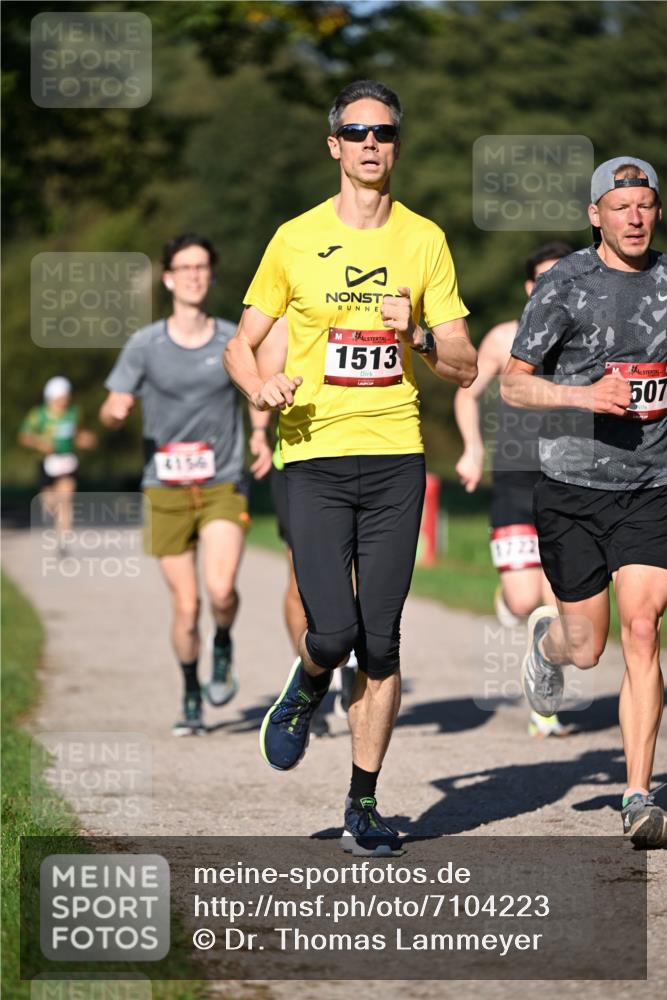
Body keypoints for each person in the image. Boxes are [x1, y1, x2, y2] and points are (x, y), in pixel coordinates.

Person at [225, 80, 477, 855]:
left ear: (396, 145)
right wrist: (258, 384)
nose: (372, 143)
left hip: (395, 453)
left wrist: (423, 338)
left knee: (384, 639)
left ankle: (362, 803)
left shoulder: (424, 240)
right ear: (334, 144)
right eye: (357, 131)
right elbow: (240, 342)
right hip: (312, 455)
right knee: (331, 630)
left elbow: (465, 367)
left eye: (385, 132)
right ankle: (304, 685)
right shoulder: (293, 238)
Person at [502, 157, 667, 847]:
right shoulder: (565, 283)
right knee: (587, 645)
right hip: (572, 487)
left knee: (641, 629)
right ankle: (546, 646)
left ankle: (637, 795)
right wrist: (581, 396)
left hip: (652, 487)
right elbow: (513, 385)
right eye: (619, 206)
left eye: (645, 205)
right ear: (595, 214)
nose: (633, 217)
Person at [100, 233, 272, 736]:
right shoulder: (145, 344)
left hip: (222, 481)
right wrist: (115, 411)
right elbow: (112, 404)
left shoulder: (231, 339)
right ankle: (190, 693)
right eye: (185, 267)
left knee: (219, 592)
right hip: (165, 489)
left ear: (211, 276)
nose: (195, 275)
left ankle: (223, 641)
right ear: (168, 277)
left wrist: (260, 435)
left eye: (203, 267)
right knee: (186, 604)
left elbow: (255, 391)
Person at [454, 242, 573, 738]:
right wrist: (472, 449)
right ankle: (510, 600)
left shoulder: (587, 335)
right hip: (514, 478)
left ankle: (544, 708)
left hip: (569, 481)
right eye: (542, 278)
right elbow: (468, 390)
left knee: (557, 606)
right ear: (529, 286)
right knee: (525, 601)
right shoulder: (504, 337)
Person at [19, 376, 97, 553]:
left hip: (67, 462)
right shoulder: (39, 414)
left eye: (66, 397)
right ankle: (57, 524)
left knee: (66, 499)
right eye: (60, 398)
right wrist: (40, 443)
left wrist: (86, 440)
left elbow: (78, 435)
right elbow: (24, 436)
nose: (64, 401)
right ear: (51, 397)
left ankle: (63, 539)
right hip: (46, 463)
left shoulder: (74, 413)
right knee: (49, 502)